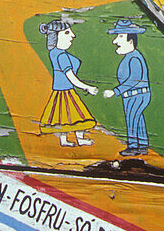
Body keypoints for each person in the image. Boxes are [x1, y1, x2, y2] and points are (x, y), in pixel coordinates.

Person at [39, 20, 98, 147]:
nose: (72, 35)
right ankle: (76, 139)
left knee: (64, 115)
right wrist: (87, 87)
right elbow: (71, 77)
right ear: (56, 36)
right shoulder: (62, 56)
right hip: (66, 90)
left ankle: (66, 140)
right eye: (67, 33)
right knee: (75, 114)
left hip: (60, 90)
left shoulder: (55, 53)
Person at [103, 18, 151, 156]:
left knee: (132, 118)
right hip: (133, 95)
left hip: (136, 94)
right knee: (138, 118)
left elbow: (133, 80)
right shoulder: (130, 57)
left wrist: (115, 91)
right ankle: (142, 145)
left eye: (120, 37)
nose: (115, 41)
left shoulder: (134, 57)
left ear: (130, 41)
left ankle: (133, 146)